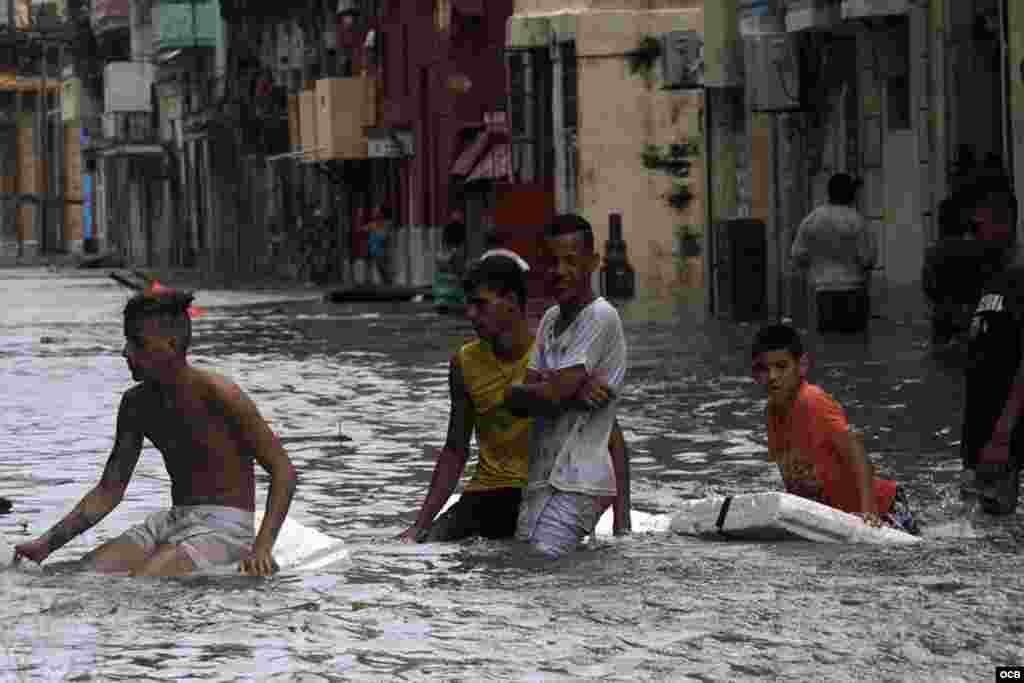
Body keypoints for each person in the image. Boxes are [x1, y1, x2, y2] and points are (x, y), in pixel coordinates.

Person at [14, 288, 298, 576]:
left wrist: (262, 547)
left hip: (226, 528)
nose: (126, 351)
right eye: (127, 341)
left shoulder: (222, 394)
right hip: (172, 520)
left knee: (143, 582)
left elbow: (283, 471)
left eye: (137, 343)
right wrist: (45, 546)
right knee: (79, 573)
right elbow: (109, 490)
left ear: (171, 345)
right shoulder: (135, 405)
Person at [397, 254, 630, 543]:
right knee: (425, 551)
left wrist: (622, 524)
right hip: (484, 494)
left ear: (510, 301)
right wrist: (420, 525)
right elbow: (455, 450)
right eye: (468, 304)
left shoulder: (557, 353)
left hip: (541, 491)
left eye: (480, 304)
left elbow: (611, 440)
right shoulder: (463, 363)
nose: (470, 314)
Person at [505, 214, 631, 558]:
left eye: (570, 261)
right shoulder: (549, 320)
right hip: (544, 477)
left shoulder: (601, 316)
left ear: (592, 263)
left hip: (579, 481)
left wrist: (552, 389)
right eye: (551, 262)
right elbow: (520, 399)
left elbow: (547, 394)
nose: (559, 270)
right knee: (531, 573)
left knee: (540, 574)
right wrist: (556, 388)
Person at [751, 323, 919, 534]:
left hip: (885, 509)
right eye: (763, 369)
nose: (773, 376)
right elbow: (791, 477)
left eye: (781, 366)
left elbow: (856, 449)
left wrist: (870, 512)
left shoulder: (811, 401)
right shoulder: (771, 413)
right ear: (754, 374)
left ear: (802, 366)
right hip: (842, 518)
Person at [960, 258, 1024, 514]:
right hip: (984, 423)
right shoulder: (996, 282)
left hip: (1001, 423)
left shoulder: (1005, 283)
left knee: (990, 508)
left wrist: (1002, 433)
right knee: (983, 511)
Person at [792, 172, 876, 334]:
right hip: (854, 293)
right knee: (855, 346)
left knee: (829, 347)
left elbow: (798, 254)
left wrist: (816, 265)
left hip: (823, 295)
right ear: (851, 194)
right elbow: (867, 259)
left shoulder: (812, 219)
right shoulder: (857, 221)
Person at [922, 197, 1005, 346]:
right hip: (973, 319)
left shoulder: (933, 252)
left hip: (943, 319)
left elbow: (928, 287)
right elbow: (992, 290)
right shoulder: (982, 251)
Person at [366, 205, 393, 285]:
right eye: (374, 211)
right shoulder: (373, 224)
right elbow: (365, 229)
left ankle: (388, 281)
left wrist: (376, 232)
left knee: (382, 267)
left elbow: (385, 236)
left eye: (376, 211)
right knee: (379, 267)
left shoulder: (386, 223)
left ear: (381, 213)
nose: (374, 213)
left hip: (380, 250)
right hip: (373, 249)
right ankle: (386, 281)